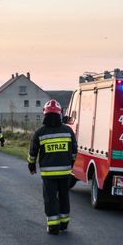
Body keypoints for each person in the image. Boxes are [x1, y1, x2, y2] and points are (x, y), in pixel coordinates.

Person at [28, 99, 78, 235]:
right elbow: (74, 151)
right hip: (65, 172)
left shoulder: (40, 132)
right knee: (64, 197)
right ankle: (64, 224)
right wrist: (70, 163)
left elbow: (33, 152)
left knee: (50, 199)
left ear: (45, 115)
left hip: (48, 174)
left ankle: (53, 226)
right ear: (59, 114)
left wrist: (31, 166)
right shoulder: (68, 131)